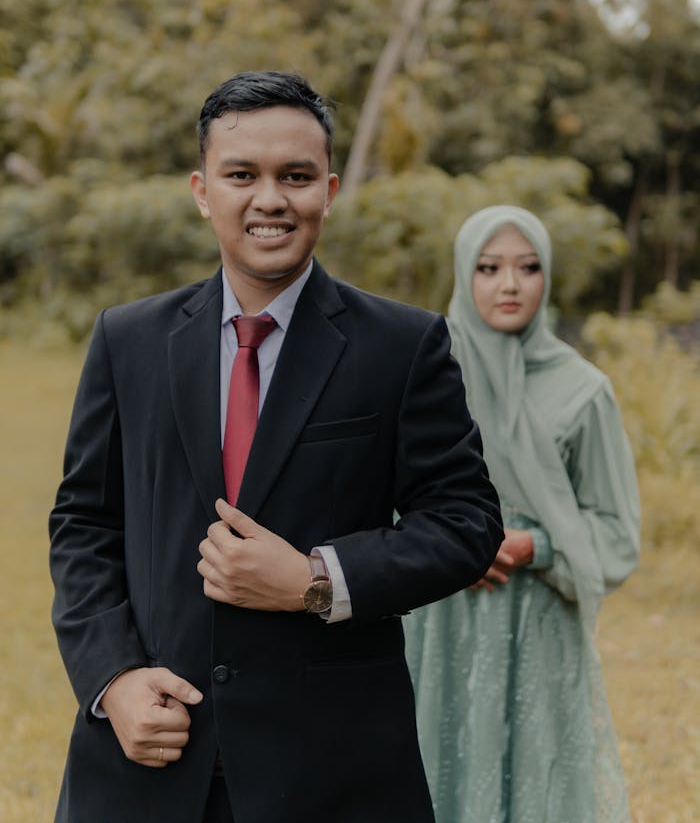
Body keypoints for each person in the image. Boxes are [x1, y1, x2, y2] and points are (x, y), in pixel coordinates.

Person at [49, 70, 503, 823]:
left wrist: (315, 580)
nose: (269, 199)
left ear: (327, 189)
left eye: (294, 177)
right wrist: (115, 678)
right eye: (241, 175)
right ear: (203, 190)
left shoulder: (403, 345)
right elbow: (84, 526)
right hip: (148, 761)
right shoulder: (126, 339)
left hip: (332, 773)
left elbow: (463, 523)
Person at [404, 205, 640, 823]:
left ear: (547, 277)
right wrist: (448, 544)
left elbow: (616, 532)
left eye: (528, 267)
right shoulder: (422, 377)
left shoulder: (584, 391)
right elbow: (375, 500)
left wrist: (531, 545)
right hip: (437, 622)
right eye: (489, 267)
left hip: (535, 626)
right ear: (464, 273)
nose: (509, 284)